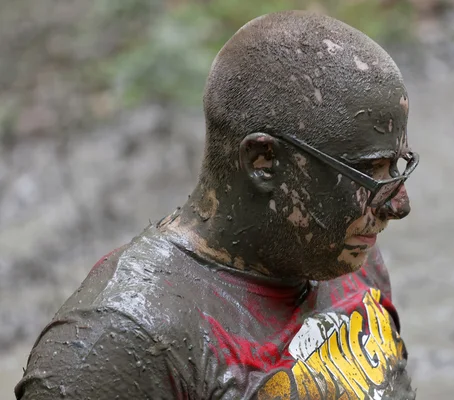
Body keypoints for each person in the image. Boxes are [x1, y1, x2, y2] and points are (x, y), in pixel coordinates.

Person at [15, 10, 419, 400]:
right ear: (264, 162)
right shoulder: (119, 344)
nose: (398, 205)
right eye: (371, 171)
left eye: (398, 167)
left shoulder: (343, 249)